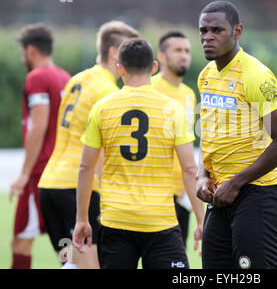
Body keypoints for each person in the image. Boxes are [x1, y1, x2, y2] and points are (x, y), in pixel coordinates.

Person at [72, 38, 204, 269]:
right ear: (154, 67)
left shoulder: (102, 108)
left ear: (119, 68)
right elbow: (189, 168)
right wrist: (201, 219)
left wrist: (82, 219)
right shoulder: (173, 109)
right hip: (160, 221)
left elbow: (85, 167)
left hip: (116, 221)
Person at [196, 0, 277, 269]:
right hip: (221, 196)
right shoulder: (205, 75)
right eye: (203, 30)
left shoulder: (256, 75)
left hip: (258, 195)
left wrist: (237, 182)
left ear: (237, 31)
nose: (208, 37)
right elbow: (209, 135)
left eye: (217, 30)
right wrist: (202, 175)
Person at [37, 21, 139, 268]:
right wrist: (112, 196)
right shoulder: (107, 91)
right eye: (129, 51)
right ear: (114, 52)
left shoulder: (77, 79)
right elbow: (102, 149)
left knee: (71, 264)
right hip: (77, 190)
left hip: (49, 186)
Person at [9, 23, 70, 269]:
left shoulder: (36, 76)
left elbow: (39, 124)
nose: (22, 56)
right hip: (63, 172)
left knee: (20, 242)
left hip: (40, 172)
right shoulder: (65, 76)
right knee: (67, 249)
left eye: (22, 51)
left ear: (31, 50)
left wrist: (24, 174)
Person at [152, 31, 196, 247]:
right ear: (161, 56)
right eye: (177, 50)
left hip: (180, 196)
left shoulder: (189, 94)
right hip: (152, 194)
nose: (184, 55)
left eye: (187, 51)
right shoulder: (148, 88)